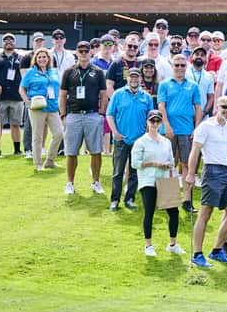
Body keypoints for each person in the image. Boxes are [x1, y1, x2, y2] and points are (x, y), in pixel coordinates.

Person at [186, 95, 227, 268]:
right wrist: (190, 173)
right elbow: (194, 152)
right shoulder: (205, 126)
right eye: (224, 107)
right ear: (217, 107)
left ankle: (217, 250)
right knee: (206, 213)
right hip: (211, 170)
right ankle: (196, 253)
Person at [131, 109, 185, 257]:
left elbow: (172, 162)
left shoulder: (166, 142)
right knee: (149, 211)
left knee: (174, 212)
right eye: (152, 121)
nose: (155, 124)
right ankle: (148, 245)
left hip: (165, 178)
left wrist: (170, 169)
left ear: (161, 123)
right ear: (147, 122)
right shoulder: (140, 142)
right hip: (148, 180)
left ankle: (173, 244)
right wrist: (155, 163)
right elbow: (135, 163)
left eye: (157, 121)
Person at [59, 40, 108, 195]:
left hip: (92, 114)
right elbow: (62, 95)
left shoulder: (98, 72)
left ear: (90, 52)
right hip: (73, 115)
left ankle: (96, 182)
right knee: (71, 152)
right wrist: (63, 115)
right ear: (77, 52)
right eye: (81, 51)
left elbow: (103, 94)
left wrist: (101, 114)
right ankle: (70, 183)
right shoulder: (69, 72)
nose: (84, 54)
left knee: (96, 151)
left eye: (86, 51)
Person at [106, 68, 155, 211]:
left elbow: (150, 118)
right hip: (121, 139)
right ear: (127, 78)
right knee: (118, 172)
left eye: (137, 77)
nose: (134, 80)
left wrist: (147, 135)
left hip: (139, 141)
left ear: (140, 79)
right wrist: (115, 132)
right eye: (132, 77)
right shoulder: (118, 94)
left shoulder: (146, 97)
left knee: (135, 172)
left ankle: (130, 199)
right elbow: (110, 115)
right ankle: (115, 200)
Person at [20, 47, 63, 173]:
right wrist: (27, 102)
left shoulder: (53, 72)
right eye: (39, 57)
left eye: (44, 57)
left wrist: (60, 102)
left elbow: (58, 88)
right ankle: (38, 163)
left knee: (59, 133)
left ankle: (50, 160)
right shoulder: (30, 73)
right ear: (35, 59)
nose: (42, 59)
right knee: (37, 136)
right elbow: (22, 88)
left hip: (53, 107)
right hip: (37, 107)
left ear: (48, 59)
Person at [0, 33, 25, 156]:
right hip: (1, 97)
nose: (8, 42)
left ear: (15, 43)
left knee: (15, 124)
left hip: (17, 96)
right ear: (2, 43)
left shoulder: (21, 58)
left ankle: (17, 150)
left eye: (11, 40)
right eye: (5, 40)